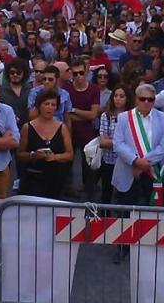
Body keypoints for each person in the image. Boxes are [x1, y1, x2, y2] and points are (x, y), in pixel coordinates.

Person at [111, 83, 164, 206]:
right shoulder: (124, 118)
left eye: (150, 99)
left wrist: (144, 162)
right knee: (125, 216)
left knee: (154, 216)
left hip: (154, 172)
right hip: (128, 172)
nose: (146, 102)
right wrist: (135, 161)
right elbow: (118, 144)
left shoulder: (163, 118)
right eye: (142, 99)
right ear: (136, 99)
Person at [17, 90, 74, 199]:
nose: (49, 107)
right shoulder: (27, 127)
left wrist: (55, 157)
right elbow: (20, 154)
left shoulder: (62, 127)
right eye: (46, 104)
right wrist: (33, 155)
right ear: (39, 106)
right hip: (32, 179)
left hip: (55, 180)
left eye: (53, 105)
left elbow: (70, 154)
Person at [65, 58, 101, 200]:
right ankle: (68, 191)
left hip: (88, 132)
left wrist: (74, 110)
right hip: (70, 131)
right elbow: (65, 114)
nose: (79, 76)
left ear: (86, 71)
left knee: (89, 166)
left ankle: (90, 195)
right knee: (67, 163)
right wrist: (83, 115)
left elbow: (93, 114)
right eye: (75, 74)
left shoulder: (94, 89)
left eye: (81, 73)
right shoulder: (66, 89)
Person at [98, 85, 133, 205]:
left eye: (121, 96)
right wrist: (120, 143)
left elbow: (132, 142)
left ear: (127, 99)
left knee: (123, 195)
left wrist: (113, 142)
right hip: (108, 161)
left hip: (125, 162)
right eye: (116, 96)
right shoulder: (105, 116)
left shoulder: (131, 117)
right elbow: (103, 142)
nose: (118, 99)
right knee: (106, 193)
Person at [0, 58, 31, 127]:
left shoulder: (30, 89)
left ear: (24, 73)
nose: (15, 75)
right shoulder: (0, 90)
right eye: (12, 73)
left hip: (27, 127)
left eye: (18, 73)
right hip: (7, 127)